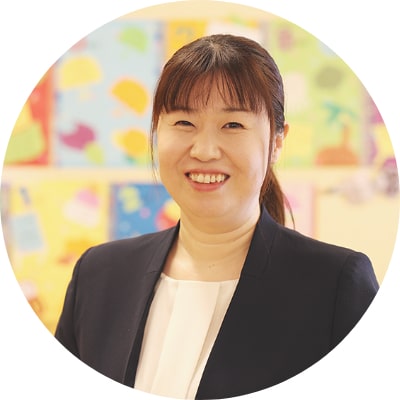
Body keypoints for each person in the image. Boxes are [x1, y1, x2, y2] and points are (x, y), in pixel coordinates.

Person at [55, 34, 379, 399]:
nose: (205, 150)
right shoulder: (98, 275)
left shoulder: (335, 286)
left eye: (233, 125)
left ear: (277, 141)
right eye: (183, 122)